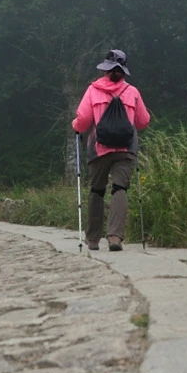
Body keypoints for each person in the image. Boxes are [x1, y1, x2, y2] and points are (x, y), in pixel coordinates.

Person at [72, 48, 150, 251]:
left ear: (105, 70)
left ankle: (93, 239)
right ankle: (115, 237)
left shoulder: (93, 90)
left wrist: (75, 125)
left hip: (99, 149)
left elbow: (83, 120)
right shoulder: (132, 92)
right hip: (125, 149)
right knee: (119, 188)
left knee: (97, 190)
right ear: (124, 71)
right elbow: (143, 121)